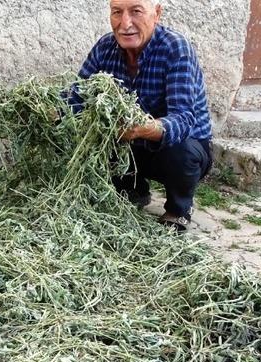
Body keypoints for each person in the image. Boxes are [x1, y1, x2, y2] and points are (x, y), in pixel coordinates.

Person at [78, 0, 213, 231]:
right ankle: (133, 190)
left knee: (181, 151)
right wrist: (50, 108)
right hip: (131, 142)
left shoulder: (175, 48)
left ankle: (178, 209)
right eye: (117, 12)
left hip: (180, 147)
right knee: (94, 134)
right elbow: (79, 93)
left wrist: (141, 128)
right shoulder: (105, 47)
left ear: (156, 13)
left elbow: (183, 119)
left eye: (136, 11)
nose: (125, 23)